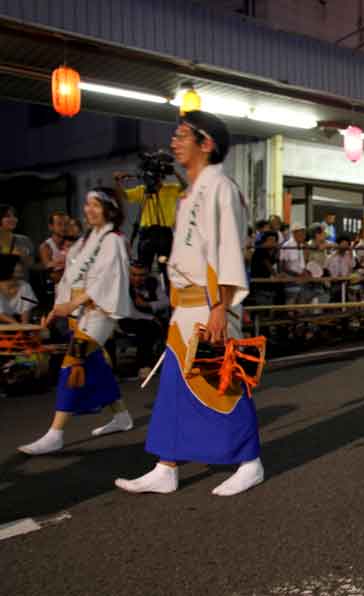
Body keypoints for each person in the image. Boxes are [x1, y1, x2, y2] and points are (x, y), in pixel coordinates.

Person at [115, 111, 262, 497]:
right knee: (175, 390)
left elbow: (227, 251)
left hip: (211, 303)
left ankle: (250, 461)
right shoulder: (189, 193)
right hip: (185, 305)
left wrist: (219, 308)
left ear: (206, 144)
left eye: (182, 136)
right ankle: (166, 466)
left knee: (222, 381)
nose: (174, 143)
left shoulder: (221, 188)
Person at [18, 188, 133, 455]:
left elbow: (107, 280)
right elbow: (71, 279)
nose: (88, 209)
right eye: (87, 204)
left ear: (109, 209)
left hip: (98, 316)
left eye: (96, 205)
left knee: (72, 363)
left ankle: (55, 433)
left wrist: (71, 304)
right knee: (95, 365)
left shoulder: (113, 240)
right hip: (78, 314)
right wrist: (58, 309)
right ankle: (122, 416)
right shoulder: (85, 241)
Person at [114, 168, 186, 269]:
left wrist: (173, 171)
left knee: (166, 267)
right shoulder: (143, 190)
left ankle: (166, 283)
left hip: (164, 231)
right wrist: (118, 182)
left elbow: (184, 185)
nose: (155, 181)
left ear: (161, 178)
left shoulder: (170, 189)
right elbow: (125, 195)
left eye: (157, 178)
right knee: (143, 267)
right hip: (147, 231)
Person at [119, 260, 169, 380]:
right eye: (134, 275)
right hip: (126, 319)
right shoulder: (123, 285)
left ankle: (166, 364)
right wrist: (152, 317)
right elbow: (130, 311)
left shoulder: (153, 282)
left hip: (149, 317)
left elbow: (165, 302)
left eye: (141, 275)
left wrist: (148, 305)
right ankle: (143, 366)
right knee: (146, 328)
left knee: (160, 326)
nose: (137, 279)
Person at [0, 255, 38, 324]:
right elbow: (0, 315)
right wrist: (16, 325)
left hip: (18, 324)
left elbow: (26, 311)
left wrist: (23, 327)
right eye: (17, 265)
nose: (21, 267)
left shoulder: (25, 286)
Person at [0, 204, 34, 268]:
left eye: (15, 216)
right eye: (7, 216)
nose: (13, 219)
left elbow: (31, 265)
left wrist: (23, 256)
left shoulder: (25, 240)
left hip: (22, 277)